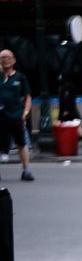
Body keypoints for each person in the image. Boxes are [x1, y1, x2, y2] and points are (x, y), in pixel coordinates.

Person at [0, 49, 34, 181]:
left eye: (8, 57)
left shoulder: (20, 77)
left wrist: (25, 112)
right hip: (1, 117)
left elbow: (28, 96)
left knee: (21, 144)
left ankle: (26, 171)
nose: (5, 60)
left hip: (16, 116)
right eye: (2, 57)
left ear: (14, 60)